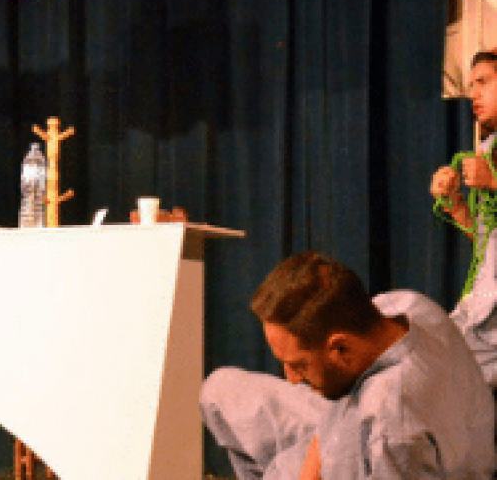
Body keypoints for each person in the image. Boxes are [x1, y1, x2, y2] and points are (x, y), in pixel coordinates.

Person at [200, 251, 494, 479]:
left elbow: (390, 431)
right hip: (339, 430)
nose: (291, 379)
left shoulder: (391, 432)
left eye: (299, 366)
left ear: (340, 348)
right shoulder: (408, 306)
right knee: (219, 390)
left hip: (368, 454)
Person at [430, 48, 497, 387]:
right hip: (482, 307)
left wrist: (494, 182)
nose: (474, 94)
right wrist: (455, 204)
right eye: (471, 85)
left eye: (484, 82)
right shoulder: (487, 149)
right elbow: (488, 241)